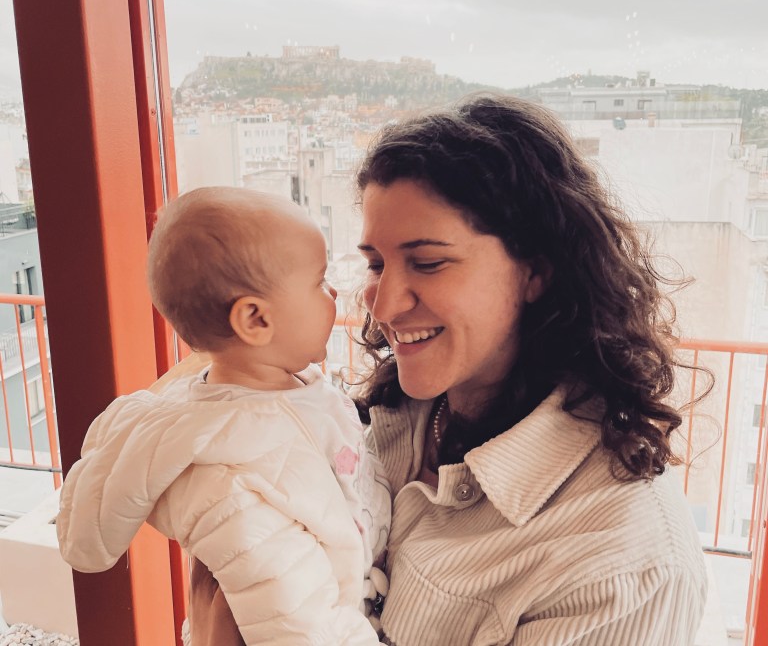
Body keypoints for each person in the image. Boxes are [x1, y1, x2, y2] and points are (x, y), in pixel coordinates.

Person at [189, 94, 709, 646]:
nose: (383, 306)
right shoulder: (377, 424)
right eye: (376, 263)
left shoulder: (626, 563)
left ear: (536, 271)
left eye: (428, 262)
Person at [56, 187, 390, 646]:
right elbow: (296, 626)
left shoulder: (290, 391)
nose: (334, 291)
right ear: (255, 320)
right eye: (319, 281)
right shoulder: (226, 480)